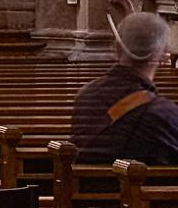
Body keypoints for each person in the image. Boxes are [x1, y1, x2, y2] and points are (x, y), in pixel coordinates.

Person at [72, 11, 178, 164]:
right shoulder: (164, 113)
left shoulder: (85, 96)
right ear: (162, 56)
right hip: (140, 187)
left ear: (116, 48)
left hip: (83, 186)